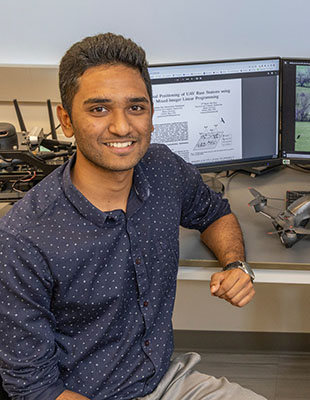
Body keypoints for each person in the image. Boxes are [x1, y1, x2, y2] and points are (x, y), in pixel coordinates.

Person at [0, 33, 266, 400]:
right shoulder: (23, 237)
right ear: (66, 120)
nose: (122, 127)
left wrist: (236, 264)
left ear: (152, 114)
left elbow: (215, 213)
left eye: (136, 108)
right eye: (99, 109)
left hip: (165, 382)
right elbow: (34, 388)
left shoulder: (163, 169)